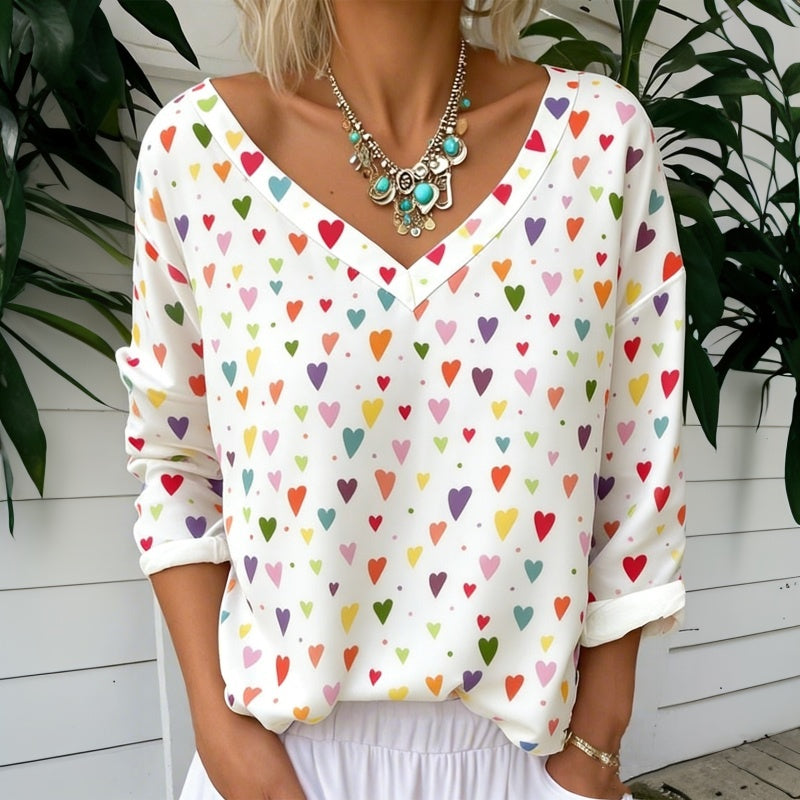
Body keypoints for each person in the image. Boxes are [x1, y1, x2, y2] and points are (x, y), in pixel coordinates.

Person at [117, 1, 687, 798]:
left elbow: (638, 464)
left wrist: (595, 749)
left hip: (530, 766)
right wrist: (232, 751)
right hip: (282, 765)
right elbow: (177, 463)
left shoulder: (599, 142)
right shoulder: (196, 151)